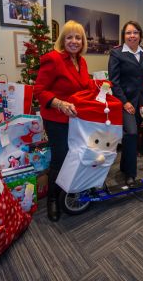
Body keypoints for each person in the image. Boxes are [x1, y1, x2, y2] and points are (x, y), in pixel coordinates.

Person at [34, 20, 92, 222]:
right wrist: (59, 103)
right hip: (57, 118)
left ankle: (70, 190)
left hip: (77, 118)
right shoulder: (53, 59)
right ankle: (52, 199)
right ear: (63, 40)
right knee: (61, 158)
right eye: (69, 37)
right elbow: (39, 91)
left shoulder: (81, 61)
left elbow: (83, 87)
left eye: (78, 37)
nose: (74, 41)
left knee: (77, 155)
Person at [109, 20, 143, 186]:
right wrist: (124, 102)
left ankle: (124, 167)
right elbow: (114, 82)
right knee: (132, 133)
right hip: (125, 102)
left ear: (140, 35)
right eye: (128, 33)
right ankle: (130, 175)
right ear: (123, 36)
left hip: (140, 101)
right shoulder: (117, 53)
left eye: (135, 32)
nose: (132, 35)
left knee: (131, 137)